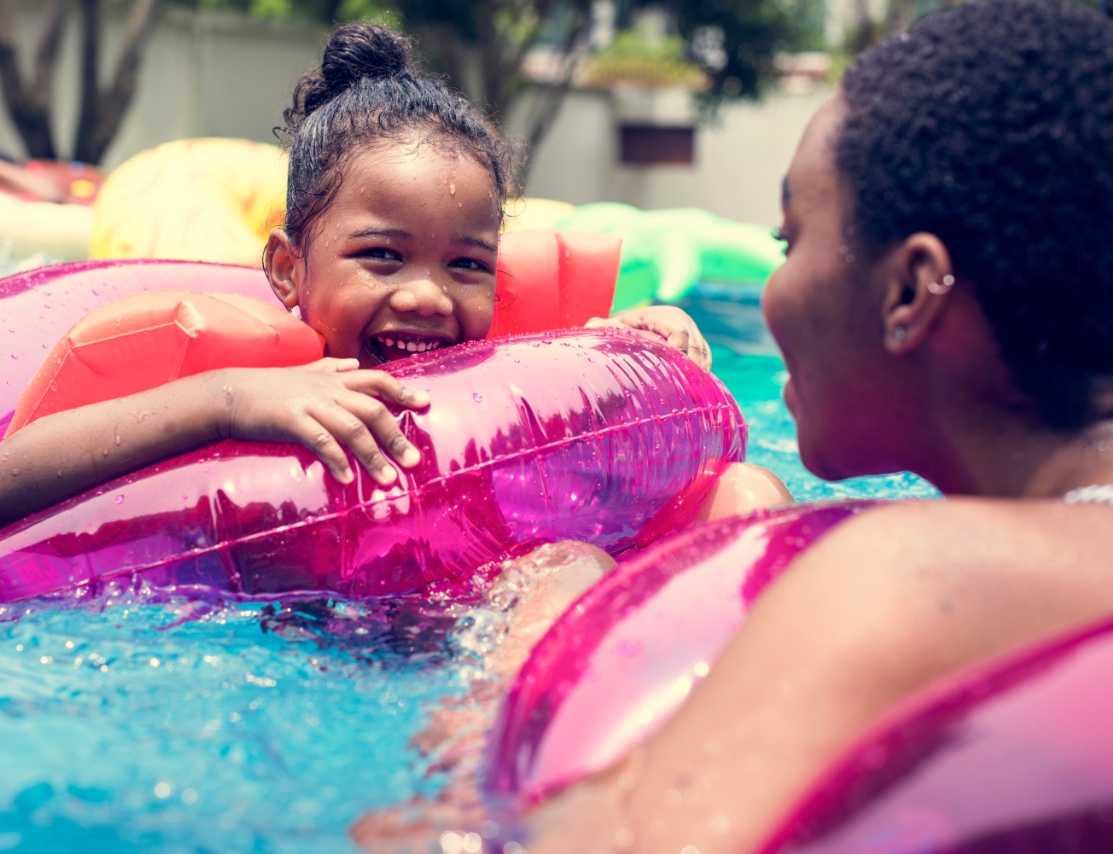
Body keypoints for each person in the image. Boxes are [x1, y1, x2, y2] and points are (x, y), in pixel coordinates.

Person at [353, 1, 1113, 851]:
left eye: (787, 241)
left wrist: (514, 665)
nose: (771, 292)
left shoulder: (904, 573)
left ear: (908, 293)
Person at [0, 23, 766, 533]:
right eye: (382, 255)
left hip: (456, 604)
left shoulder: (496, 366)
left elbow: (576, 381)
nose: (426, 295)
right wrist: (232, 400)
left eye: (466, 265)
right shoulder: (242, 383)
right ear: (287, 270)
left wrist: (633, 340)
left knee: (746, 493)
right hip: (290, 633)